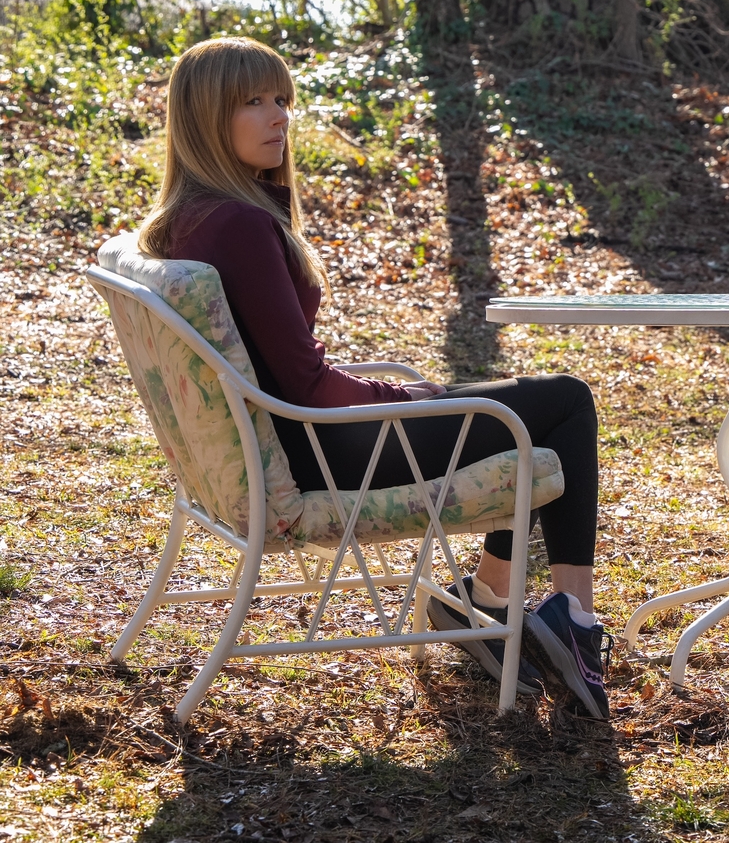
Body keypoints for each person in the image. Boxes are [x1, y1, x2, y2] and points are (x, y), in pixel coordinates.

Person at [136, 36, 610, 718]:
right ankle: (574, 620)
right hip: (329, 449)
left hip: (299, 440)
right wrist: (399, 397)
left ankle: (488, 599)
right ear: (206, 117)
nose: (279, 116)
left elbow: (286, 373)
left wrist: (404, 396)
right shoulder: (238, 224)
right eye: (253, 102)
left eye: (282, 100)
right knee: (565, 403)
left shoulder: (190, 219)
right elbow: (305, 383)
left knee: (527, 409)